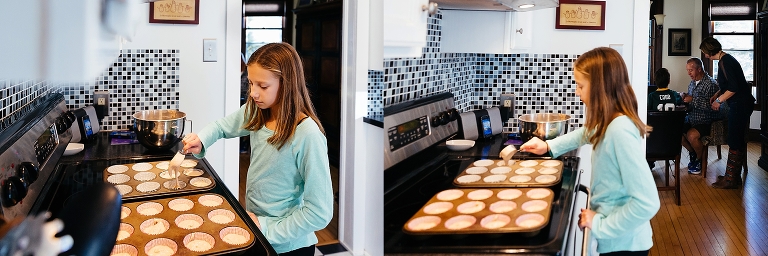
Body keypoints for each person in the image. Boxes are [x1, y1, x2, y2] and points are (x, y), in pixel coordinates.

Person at [182, 42, 333, 255]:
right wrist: (202, 139)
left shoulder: (307, 134)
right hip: (257, 232)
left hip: (290, 246)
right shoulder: (257, 112)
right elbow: (220, 127)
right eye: (251, 83)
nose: (253, 93)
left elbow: (319, 212)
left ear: (287, 84)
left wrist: (266, 227)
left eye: (263, 86)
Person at [520, 47, 660, 255]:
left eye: (580, 86)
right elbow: (585, 133)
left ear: (599, 88)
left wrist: (600, 224)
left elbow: (647, 202)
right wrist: (549, 146)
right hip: (617, 239)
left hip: (625, 245)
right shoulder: (609, 121)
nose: (577, 92)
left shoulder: (619, 131)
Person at [701, 37, 755, 189]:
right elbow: (728, 85)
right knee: (735, 137)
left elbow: (733, 88)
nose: (704, 55)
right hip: (739, 103)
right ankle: (733, 177)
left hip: (740, 104)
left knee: (734, 138)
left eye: (705, 52)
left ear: (709, 51)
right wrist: (717, 94)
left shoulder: (726, 62)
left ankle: (731, 180)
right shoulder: (725, 60)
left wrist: (718, 102)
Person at [680, 57, 721, 175]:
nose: (688, 73)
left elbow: (713, 107)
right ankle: (694, 153)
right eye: (687, 70)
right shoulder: (692, 83)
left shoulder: (711, 84)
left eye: (691, 70)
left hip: (706, 120)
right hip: (692, 117)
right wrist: (685, 98)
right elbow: (692, 102)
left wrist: (693, 99)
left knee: (691, 135)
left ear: (699, 69)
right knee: (675, 132)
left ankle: (698, 160)